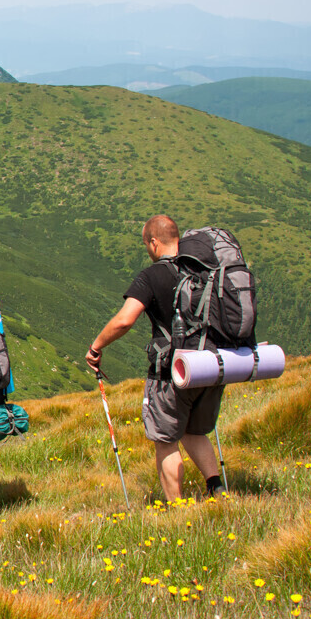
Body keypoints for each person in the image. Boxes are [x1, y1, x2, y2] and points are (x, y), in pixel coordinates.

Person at [86, 215, 226, 502]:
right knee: (194, 431)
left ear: (153, 242)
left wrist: (96, 346)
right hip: (211, 365)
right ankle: (217, 489)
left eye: (146, 244)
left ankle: (177, 510)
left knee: (165, 439)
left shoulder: (153, 275)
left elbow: (125, 320)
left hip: (172, 372)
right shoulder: (204, 270)